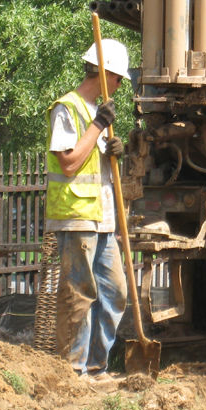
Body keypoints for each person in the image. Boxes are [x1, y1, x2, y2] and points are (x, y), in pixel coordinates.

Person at [46, 39, 131, 390]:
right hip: (77, 215)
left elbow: (95, 167)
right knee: (79, 294)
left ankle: (96, 368)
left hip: (104, 219)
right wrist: (97, 126)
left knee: (115, 292)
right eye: (119, 78)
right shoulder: (68, 108)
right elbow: (67, 163)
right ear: (105, 71)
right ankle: (72, 373)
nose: (121, 86)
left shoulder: (98, 113)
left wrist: (114, 152)